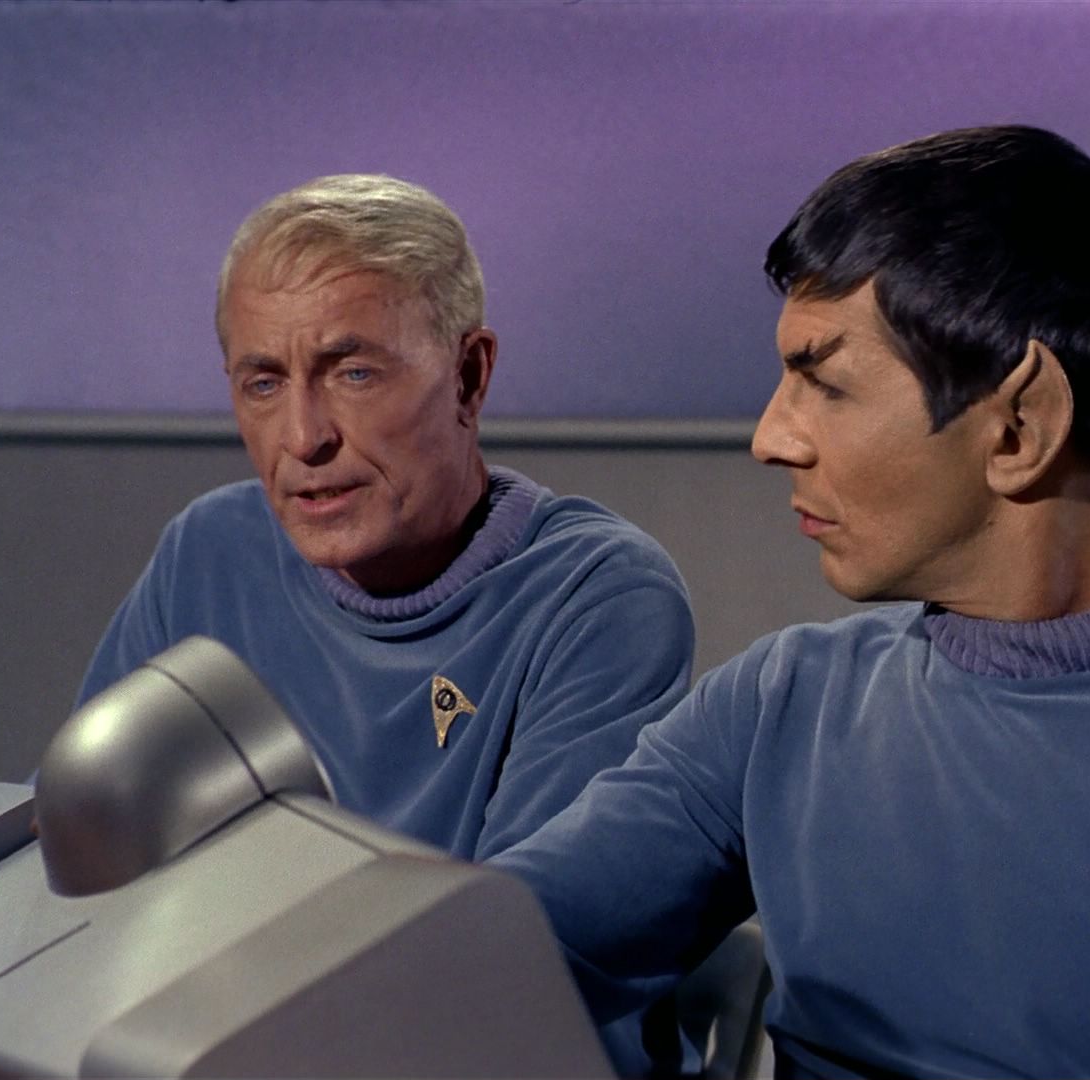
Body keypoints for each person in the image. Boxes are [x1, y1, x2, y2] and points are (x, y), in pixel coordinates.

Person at [491, 126, 1090, 1079]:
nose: (771, 438)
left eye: (825, 385)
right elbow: (480, 956)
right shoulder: (782, 704)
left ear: (1020, 425)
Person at [71, 176, 696, 1066]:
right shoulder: (208, 552)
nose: (304, 438)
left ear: (469, 376)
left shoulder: (597, 597)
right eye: (262, 383)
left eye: (353, 373)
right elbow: (94, 873)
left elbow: (509, 973)